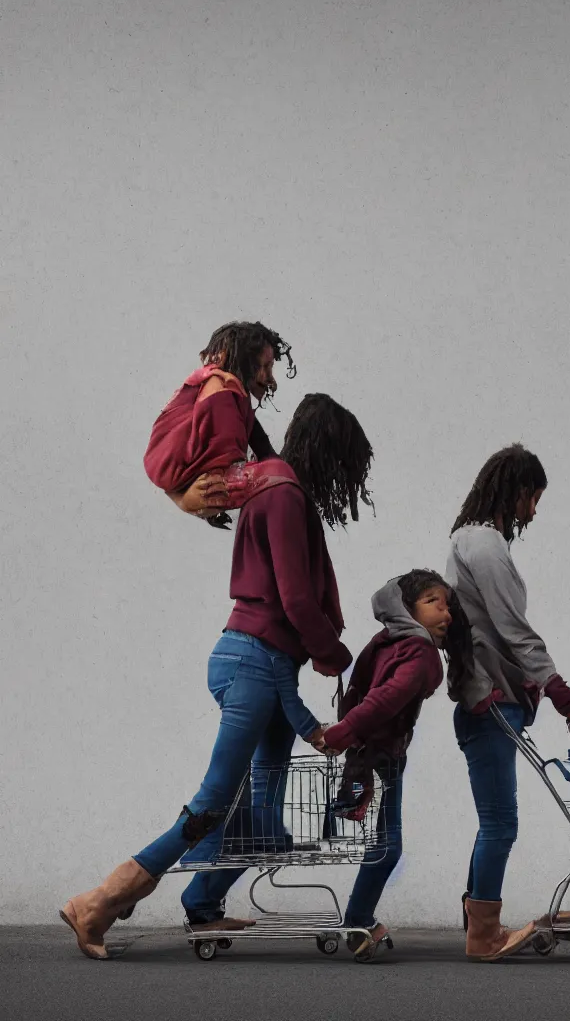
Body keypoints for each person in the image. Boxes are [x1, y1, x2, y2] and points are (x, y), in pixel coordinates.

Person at [59, 393, 374, 960]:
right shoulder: (281, 494)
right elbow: (295, 598)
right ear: (328, 453)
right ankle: (100, 901)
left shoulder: (270, 487)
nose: (343, 481)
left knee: (265, 811)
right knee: (212, 802)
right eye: (345, 466)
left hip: (266, 662)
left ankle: (204, 902)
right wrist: (336, 655)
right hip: (257, 661)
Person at [446, 443, 570, 962]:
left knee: (493, 819)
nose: (534, 511)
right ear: (516, 491)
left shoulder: (469, 542)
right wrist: (568, 700)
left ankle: (478, 922)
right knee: (500, 823)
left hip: (487, 700)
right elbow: (516, 633)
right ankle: (482, 935)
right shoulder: (485, 546)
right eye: (533, 498)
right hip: (490, 702)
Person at [321, 569, 474, 959]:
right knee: (387, 847)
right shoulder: (419, 652)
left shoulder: (386, 641)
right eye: (432, 602)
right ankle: (357, 920)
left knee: (382, 842)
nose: (446, 612)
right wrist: (343, 734)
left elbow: (360, 690)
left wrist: (347, 733)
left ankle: (360, 920)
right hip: (383, 756)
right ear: (407, 608)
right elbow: (387, 697)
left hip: (368, 752)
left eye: (447, 605)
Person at [144, 321, 297, 529]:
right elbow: (224, 468)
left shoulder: (234, 392)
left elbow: (260, 442)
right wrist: (185, 500)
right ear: (244, 362)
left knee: (279, 470)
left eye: (271, 367)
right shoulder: (222, 393)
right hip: (191, 474)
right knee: (278, 474)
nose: (270, 379)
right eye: (264, 367)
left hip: (183, 472)